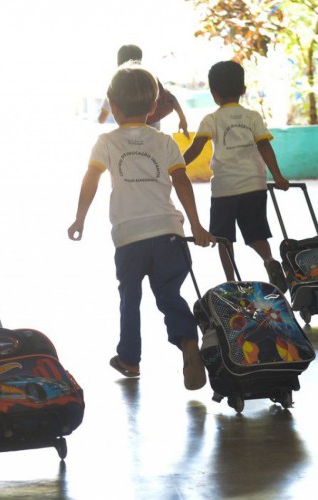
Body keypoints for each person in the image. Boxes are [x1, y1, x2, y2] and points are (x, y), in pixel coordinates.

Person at [68, 63, 214, 391]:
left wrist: (80, 218)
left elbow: (91, 179)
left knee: (130, 298)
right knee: (169, 295)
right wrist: (196, 225)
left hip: (129, 237)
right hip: (168, 232)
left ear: (112, 107)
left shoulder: (106, 141)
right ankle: (189, 343)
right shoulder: (165, 142)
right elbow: (182, 181)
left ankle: (130, 359)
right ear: (153, 107)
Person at [183, 60, 289, 291]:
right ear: (243, 90)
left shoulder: (211, 119)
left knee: (223, 238)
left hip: (224, 189)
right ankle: (269, 261)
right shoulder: (253, 117)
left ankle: (231, 281)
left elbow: (196, 147)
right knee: (256, 232)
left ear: (213, 93)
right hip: (254, 185)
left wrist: (177, 165)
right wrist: (278, 176)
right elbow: (265, 147)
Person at [97, 44, 190, 138]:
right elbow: (171, 98)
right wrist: (182, 119)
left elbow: (101, 119)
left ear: (118, 62)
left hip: (128, 142)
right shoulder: (150, 81)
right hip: (153, 139)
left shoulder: (117, 86)